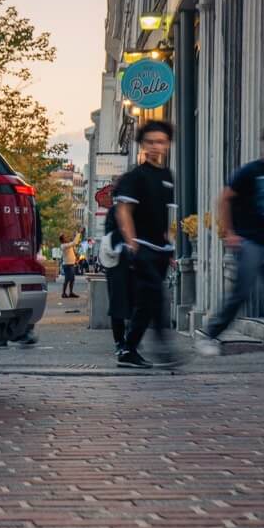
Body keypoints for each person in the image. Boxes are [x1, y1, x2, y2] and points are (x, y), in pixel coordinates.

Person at [195, 120, 264, 364]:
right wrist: (229, 233)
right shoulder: (250, 171)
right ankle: (208, 335)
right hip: (251, 242)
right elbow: (224, 200)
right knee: (240, 293)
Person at [113, 120, 179, 369]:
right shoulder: (134, 176)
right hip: (140, 248)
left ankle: (129, 350)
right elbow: (123, 211)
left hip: (160, 250)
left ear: (167, 144)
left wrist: (170, 248)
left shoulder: (167, 176)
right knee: (158, 296)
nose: (155, 146)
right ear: (142, 144)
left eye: (160, 141)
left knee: (145, 303)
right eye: (150, 142)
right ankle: (165, 349)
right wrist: (132, 245)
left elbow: (164, 217)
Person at [98, 207, 129, 354]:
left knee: (135, 305)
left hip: (133, 265)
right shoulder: (116, 211)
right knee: (118, 306)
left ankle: (130, 340)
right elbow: (111, 236)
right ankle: (120, 342)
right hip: (117, 265)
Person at [59, 233, 80, 298]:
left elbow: (73, 244)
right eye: (65, 237)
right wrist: (78, 234)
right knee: (67, 279)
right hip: (67, 265)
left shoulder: (67, 245)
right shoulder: (63, 245)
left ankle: (70, 293)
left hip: (71, 264)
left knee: (72, 279)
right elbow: (74, 242)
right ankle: (63, 293)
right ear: (62, 239)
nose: (67, 238)